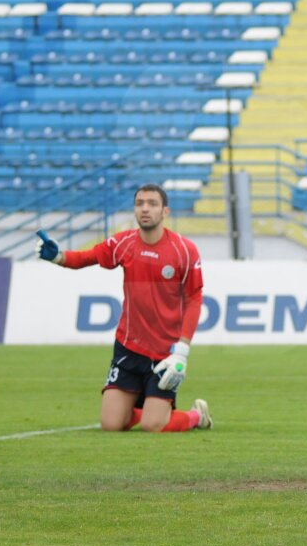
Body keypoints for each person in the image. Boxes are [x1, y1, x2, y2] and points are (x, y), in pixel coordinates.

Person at [33, 184, 211, 434]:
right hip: (129, 348)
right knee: (111, 425)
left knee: (153, 426)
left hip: (165, 354)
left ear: (165, 211)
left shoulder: (184, 250)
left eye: (152, 204)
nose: (145, 209)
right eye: (140, 204)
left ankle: (196, 415)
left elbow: (194, 298)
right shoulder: (123, 243)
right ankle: (146, 407)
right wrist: (57, 256)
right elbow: (86, 258)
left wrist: (181, 352)